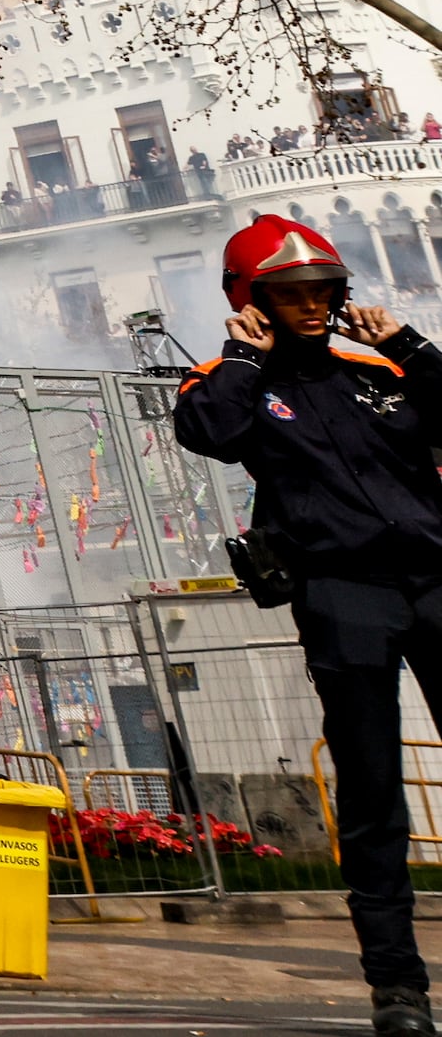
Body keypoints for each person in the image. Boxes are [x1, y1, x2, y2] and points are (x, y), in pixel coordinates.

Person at [175, 213, 442, 1037]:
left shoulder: (378, 363)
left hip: (435, 581)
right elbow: (208, 432)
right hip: (341, 592)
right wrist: (249, 356)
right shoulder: (230, 379)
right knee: (372, 794)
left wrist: (413, 345)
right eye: (292, 293)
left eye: (325, 289)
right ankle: (397, 988)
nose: (314, 304)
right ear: (252, 300)